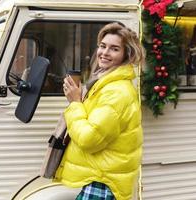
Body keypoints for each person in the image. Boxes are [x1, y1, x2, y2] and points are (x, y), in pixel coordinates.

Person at [54, 22, 145, 200]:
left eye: (114, 49)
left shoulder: (116, 92)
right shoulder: (104, 82)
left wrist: (74, 103)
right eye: (102, 46)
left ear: (126, 54)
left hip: (103, 181)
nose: (104, 52)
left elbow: (89, 139)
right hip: (100, 176)